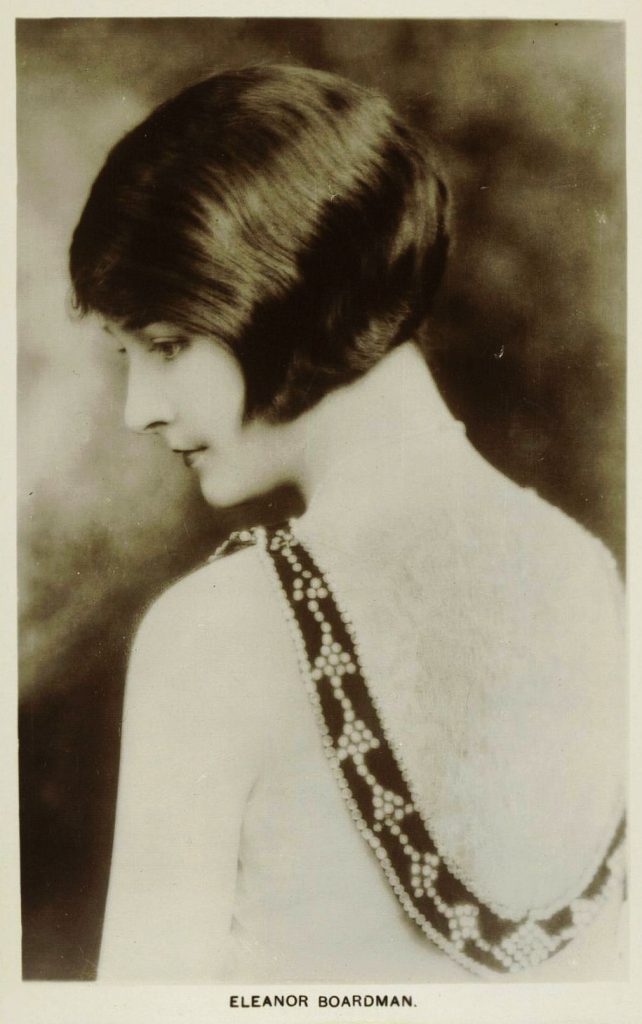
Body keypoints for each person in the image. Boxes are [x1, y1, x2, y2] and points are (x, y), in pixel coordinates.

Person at [69, 64, 625, 983]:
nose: (139, 409)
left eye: (165, 346)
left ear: (287, 295)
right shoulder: (595, 580)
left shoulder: (215, 633)